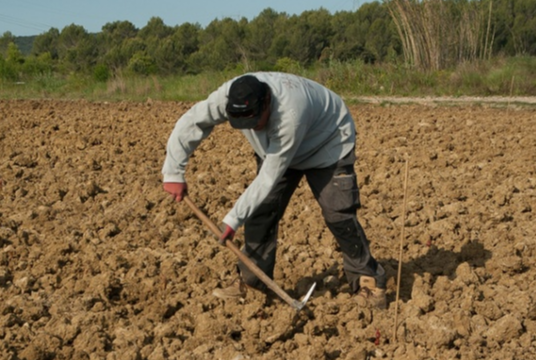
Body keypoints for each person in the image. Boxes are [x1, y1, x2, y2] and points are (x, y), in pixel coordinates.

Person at [162, 72, 387, 309]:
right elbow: (192, 121)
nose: (253, 129)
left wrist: (232, 220)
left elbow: (269, 175)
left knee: (338, 213)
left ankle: (369, 281)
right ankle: (252, 284)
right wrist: (173, 172)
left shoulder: (290, 114)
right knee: (261, 212)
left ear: (266, 102)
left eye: (255, 122)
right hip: (275, 149)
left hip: (327, 143)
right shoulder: (228, 97)